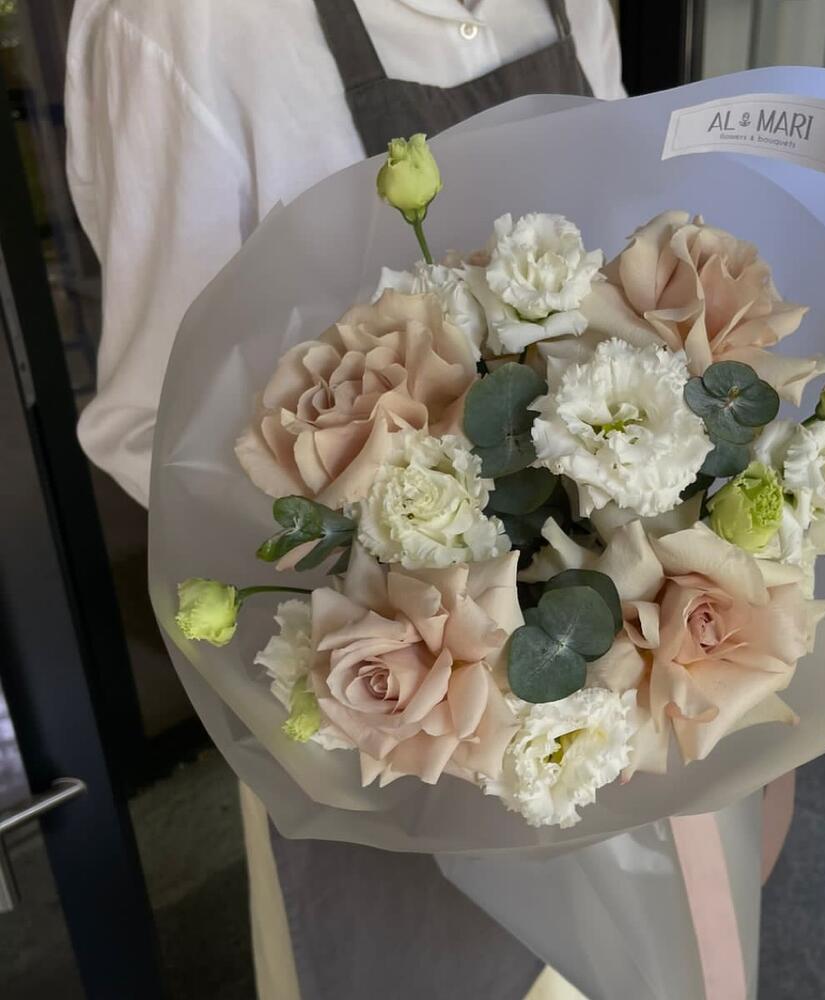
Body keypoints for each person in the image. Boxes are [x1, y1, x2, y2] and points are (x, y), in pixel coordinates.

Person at [64, 2, 625, 998]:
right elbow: (157, 426)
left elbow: (619, 259)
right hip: (388, 704)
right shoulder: (186, 22)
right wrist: (412, 605)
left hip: (620, 665)